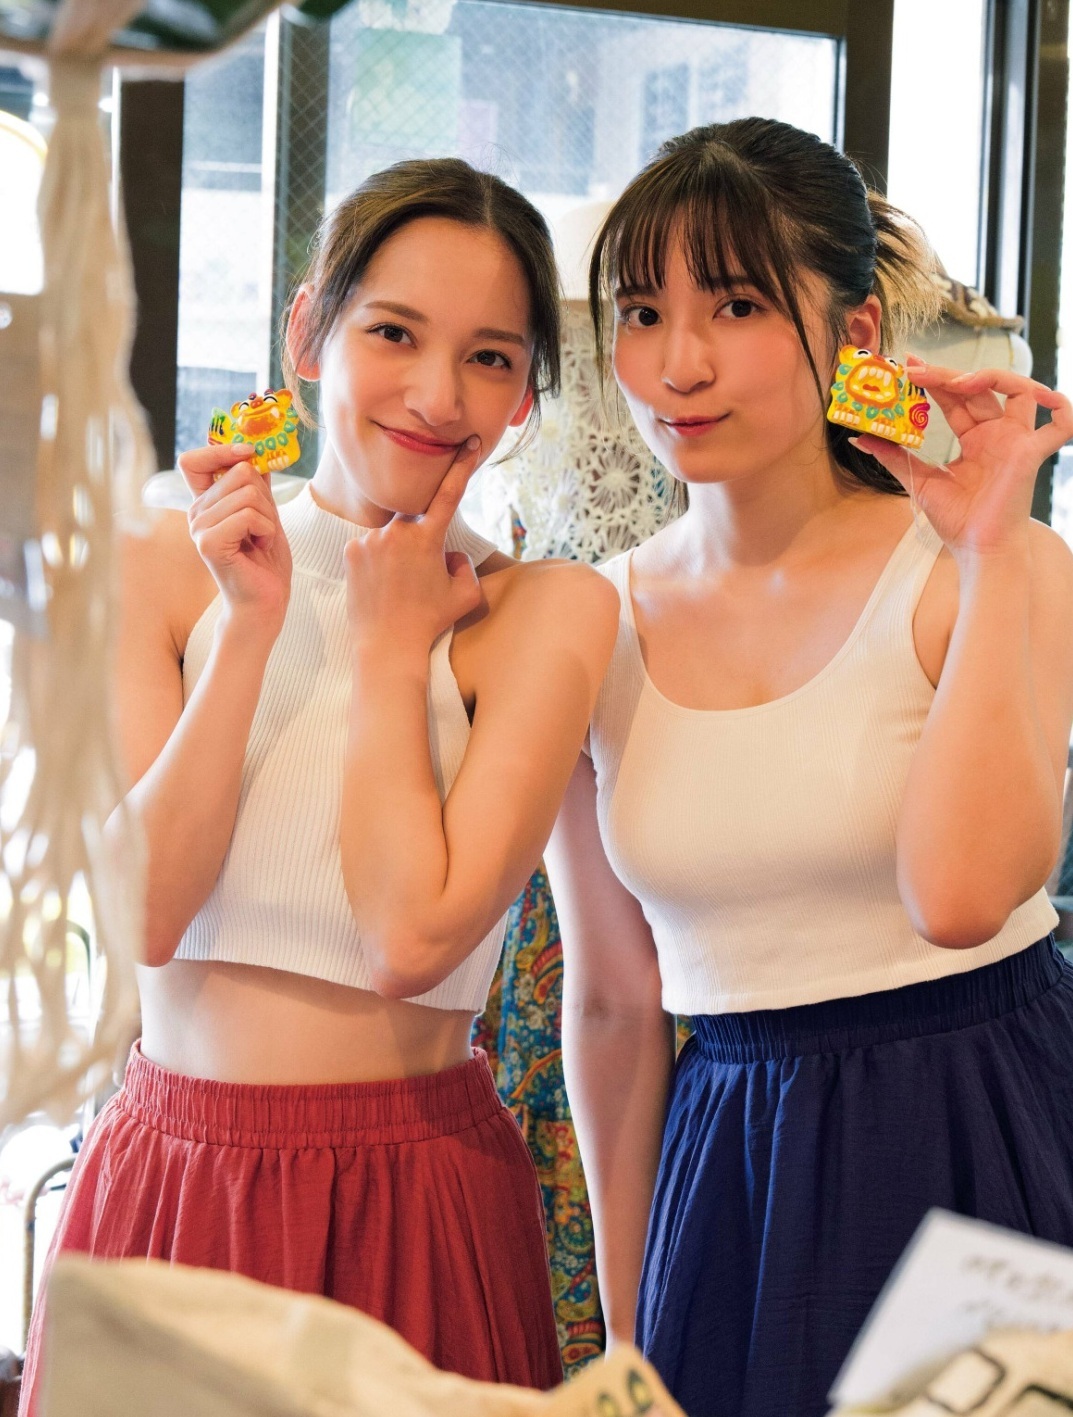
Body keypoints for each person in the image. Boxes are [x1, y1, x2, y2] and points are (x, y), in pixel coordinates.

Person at [20, 158, 618, 1414]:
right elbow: (144, 914)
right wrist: (250, 623)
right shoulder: (155, 561)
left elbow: (412, 940)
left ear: (524, 396)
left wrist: (393, 649)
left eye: (490, 358)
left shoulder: (546, 610)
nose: (436, 395)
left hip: (417, 1193)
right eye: (392, 332)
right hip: (172, 1184)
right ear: (308, 332)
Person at [544, 117, 1073, 1417]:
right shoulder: (586, 624)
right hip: (727, 1159)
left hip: (976, 1116)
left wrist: (990, 552)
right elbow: (611, 1004)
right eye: (642, 313)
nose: (678, 364)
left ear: (855, 331)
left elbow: (963, 900)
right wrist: (626, 1330)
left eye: (735, 305)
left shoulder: (990, 569)